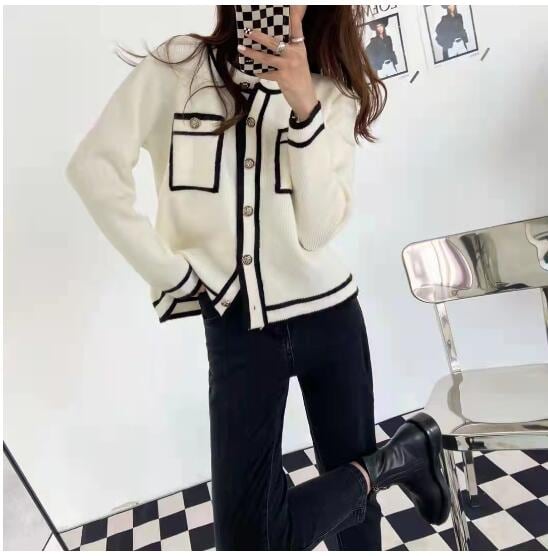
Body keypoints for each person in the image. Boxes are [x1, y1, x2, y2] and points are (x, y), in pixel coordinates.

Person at [65, 5, 450, 551]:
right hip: (237, 328)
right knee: (248, 538)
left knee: (356, 530)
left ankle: (395, 461)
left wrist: (303, 107)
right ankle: (400, 458)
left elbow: (317, 231)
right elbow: (92, 168)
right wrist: (171, 274)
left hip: (331, 320)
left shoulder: (332, 95)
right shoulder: (177, 67)